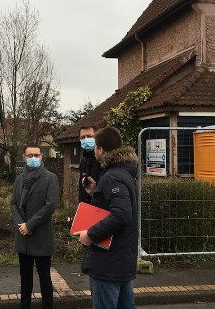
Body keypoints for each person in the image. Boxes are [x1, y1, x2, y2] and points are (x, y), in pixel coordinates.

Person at [74, 127, 139, 309]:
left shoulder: (113, 176)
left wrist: (91, 234)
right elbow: (118, 206)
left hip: (108, 262)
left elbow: (122, 214)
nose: (93, 150)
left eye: (94, 146)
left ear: (101, 150)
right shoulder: (123, 172)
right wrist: (96, 192)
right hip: (121, 260)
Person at [10, 145, 59, 309]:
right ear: (24, 157)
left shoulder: (50, 178)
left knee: (45, 278)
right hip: (22, 236)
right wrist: (21, 226)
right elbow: (13, 203)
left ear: (42, 157)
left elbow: (50, 206)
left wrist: (29, 225)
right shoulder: (19, 179)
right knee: (25, 279)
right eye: (30, 155)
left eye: (36, 155)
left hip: (41, 236)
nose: (33, 158)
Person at [78, 124, 101, 204]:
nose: (86, 139)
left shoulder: (103, 160)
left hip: (99, 209)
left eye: (89, 136)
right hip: (85, 207)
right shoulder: (83, 160)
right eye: (83, 137)